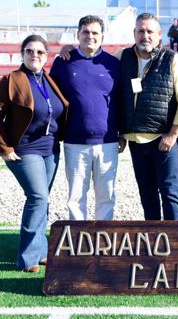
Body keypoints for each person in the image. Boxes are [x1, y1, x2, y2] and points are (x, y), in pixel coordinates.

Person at [0, 35, 68, 272]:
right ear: (22, 54)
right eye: (30, 51)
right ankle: (28, 258)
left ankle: (41, 251)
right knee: (38, 198)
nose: (35, 55)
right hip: (24, 149)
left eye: (40, 52)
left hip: (51, 148)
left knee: (43, 199)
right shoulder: (12, 80)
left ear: (46, 56)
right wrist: (4, 148)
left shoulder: (48, 80)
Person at [117, 12, 178, 220]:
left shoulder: (173, 59)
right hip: (135, 141)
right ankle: (153, 242)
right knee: (147, 195)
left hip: (164, 140)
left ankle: (175, 245)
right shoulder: (122, 57)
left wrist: (172, 134)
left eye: (150, 31)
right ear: (134, 33)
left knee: (170, 194)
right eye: (141, 31)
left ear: (160, 35)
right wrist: (70, 49)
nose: (145, 36)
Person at [50, 15, 123, 221]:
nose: (90, 36)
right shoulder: (63, 62)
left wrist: (122, 133)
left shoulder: (113, 64)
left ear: (102, 36)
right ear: (78, 35)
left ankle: (103, 240)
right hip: (74, 141)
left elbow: (121, 100)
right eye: (85, 32)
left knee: (106, 196)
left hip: (108, 141)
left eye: (94, 33)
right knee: (75, 197)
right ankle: (78, 242)